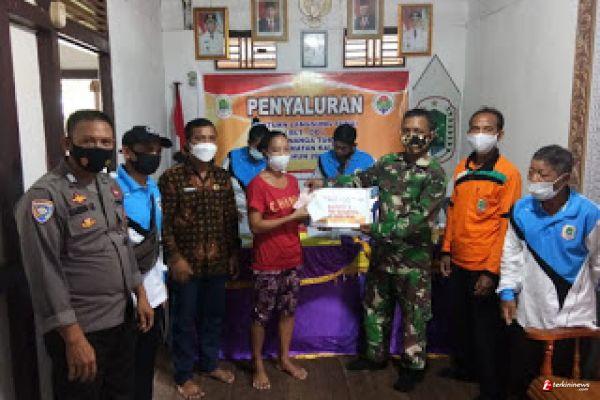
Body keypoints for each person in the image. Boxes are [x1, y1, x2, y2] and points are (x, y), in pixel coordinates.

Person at [15, 110, 154, 400]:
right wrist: (73, 337)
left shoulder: (108, 185)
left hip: (121, 318)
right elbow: (44, 272)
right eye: (89, 141)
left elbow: (122, 243)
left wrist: (140, 293)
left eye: (105, 142)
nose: (98, 148)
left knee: (121, 393)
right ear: (68, 144)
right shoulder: (45, 197)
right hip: (83, 327)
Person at [312, 109, 446, 392]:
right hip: (383, 255)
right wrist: (326, 184)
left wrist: (375, 229)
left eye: (419, 131)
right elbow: (360, 180)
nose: (412, 136)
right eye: (407, 130)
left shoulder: (434, 173)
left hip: (412, 260)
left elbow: (419, 218)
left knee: (414, 315)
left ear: (431, 135)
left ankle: (413, 366)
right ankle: (375, 356)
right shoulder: (388, 163)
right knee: (375, 307)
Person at [498, 145, 600, 397]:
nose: (534, 179)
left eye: (542, 174)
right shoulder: (521, 210)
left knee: (562, 384)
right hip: (531, 308)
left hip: (573, 315)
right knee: (523, 379)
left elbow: (598, 261)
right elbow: (511, 255)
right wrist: (508, 292)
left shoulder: (588, 213)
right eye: (531, 172)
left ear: (563, 179)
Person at [439, 107, 521, 400]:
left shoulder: (508, 173)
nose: (480, 134)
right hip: (458, 259)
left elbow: (506, 227)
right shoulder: (462, 168)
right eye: (475, 128)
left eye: (487, 129)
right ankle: (465, 369)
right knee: (460, 322)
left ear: (500, 134)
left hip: (484, 264)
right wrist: (446, 250)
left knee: (487, 332)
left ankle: (492, 389)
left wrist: (490, 270)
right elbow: (452, 213)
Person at [159, 118, 239, 399]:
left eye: (211, 138)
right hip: (185, 265)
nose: (206, 143)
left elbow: (231, 219)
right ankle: (183, 375)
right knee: (184, 320)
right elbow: (164, 223)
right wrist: (175, 258)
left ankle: (209, 364)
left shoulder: (223, 178)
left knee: (213, 317)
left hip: (217, 263)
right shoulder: (171, 178)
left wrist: (233, 253)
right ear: (187, 143)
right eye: (199, 138)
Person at [246, 130, 310, 390]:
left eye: (286, 149)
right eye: (276, 150)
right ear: (265, 153)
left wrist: (313, 205)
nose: (282, 155)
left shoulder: (293, 182)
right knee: (261, 315)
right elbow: (256, 226)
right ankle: (258, 364)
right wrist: (291, 218)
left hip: (292, 257)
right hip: (267, 261)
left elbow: (300, 215)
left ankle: (284, 358)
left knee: (288, 311)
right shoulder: (257, 184)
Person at [114, 126, 172, 400]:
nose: (154, 155)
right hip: (125, 294)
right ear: (127, 152)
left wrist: (160, 289)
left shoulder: (153, 187)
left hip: (153, 287)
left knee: (145, 361)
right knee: (124, 367)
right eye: (148, 149)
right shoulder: (111, 188)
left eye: (157, 150)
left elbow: (155, 240)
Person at [222, 119, 269, 236]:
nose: (260, 151)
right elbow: (220, 186)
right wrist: (229, 209)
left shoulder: (272, 160)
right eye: (256, 147)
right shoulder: (232, 158)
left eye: (263, 148)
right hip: (237, 217)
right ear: (249, 143)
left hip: (264, 219)